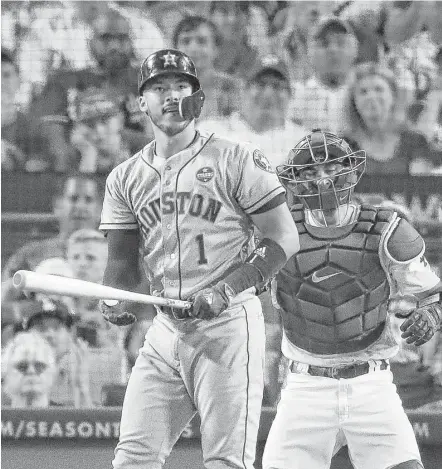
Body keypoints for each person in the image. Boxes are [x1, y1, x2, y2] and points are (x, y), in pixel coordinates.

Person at [98, 48, 300, 469]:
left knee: (226, 461)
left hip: (228, 328)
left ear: (198, 99)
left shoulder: (236, 157)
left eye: (180, 87)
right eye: (158, 88)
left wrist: (227, 288)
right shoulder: (124, 177)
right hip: (165, 328)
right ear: (141, 102)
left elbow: (284, 237)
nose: (170, 97)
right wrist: (115, 299)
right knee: (132, 458)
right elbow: (121, 266)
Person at [262, 129, 442, 469]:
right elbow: (242, 286)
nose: (323, 180)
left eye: (331, 168)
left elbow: (433, 295)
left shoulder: (386, 229)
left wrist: (431, 315)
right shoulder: (278, 234)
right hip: (305, 385)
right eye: (310, 172)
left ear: (351, 171)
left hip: (371, 382)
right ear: (295, 181)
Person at [31, 9, 146, 171]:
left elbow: (161, 139)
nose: (114, 46)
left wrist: (121, 139)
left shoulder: (148, 82)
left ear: (131, 42)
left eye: (121, 39)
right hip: (77, 177)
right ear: (90, 42)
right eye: (105, 39)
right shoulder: (64, 81)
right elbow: (51, 131)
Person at [198, 55, 306, 169]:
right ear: (244, 90)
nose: (268, 94)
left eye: (277, 86)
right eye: (261, 84)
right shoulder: (211, 132)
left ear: (290, 94)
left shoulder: (303, 143)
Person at [342, 62, 441, 175]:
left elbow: (418, 188)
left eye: (379, 89)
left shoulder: (415, 142)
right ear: (353, 102)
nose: (371, 97)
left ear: (393, 96)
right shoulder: (342, 147)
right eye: (363, 92)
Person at [2, 173, 102, 283]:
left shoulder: (114, 257)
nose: (80, 206)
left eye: (88, 200)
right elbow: (3, 296)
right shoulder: (30, 255)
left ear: (100, 208)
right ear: (57, 205)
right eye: (73, 199)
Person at [289, 16, 359, 134]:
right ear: (309, 53)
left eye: (341, 43)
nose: (333, 50)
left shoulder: (367, 93)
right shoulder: (295, 96)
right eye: (324, 44)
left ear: (355, 51)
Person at [23, 297, 93, 408]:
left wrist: (81, 388)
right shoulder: (8, 380)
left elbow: (94, 424)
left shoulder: (86, 376)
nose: (50, 334)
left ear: (71, 335)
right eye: (41, 328)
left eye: (57, 327)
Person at [172, 15, 243, 120]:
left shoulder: (232, 88)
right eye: (186, 41)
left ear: (216, 49)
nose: (193, 48)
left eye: (201, 41)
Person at [69, 87, 132, 174]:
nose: (99, 131)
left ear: (121, 120)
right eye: (89, 124)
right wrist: (88, 160)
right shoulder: (68, 159)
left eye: (105, 120)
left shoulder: (145, 151)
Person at [2, 331, 58, 408]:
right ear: (5, 376)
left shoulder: (68, 418)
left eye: (39, 366)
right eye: (22, 366)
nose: (31, 371)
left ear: (52, 375)